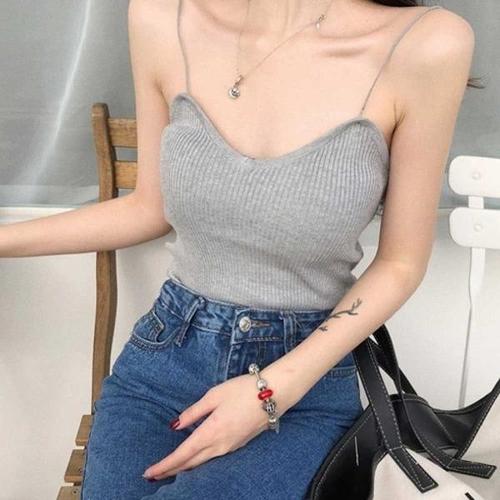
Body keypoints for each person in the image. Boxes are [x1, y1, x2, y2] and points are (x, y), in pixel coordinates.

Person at [1, 0, 475, 498]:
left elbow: (400, 262)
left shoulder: (428, 43)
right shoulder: (162, 14)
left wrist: (271, 391)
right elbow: (148, 209)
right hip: (163, 362)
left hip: (305, 379)